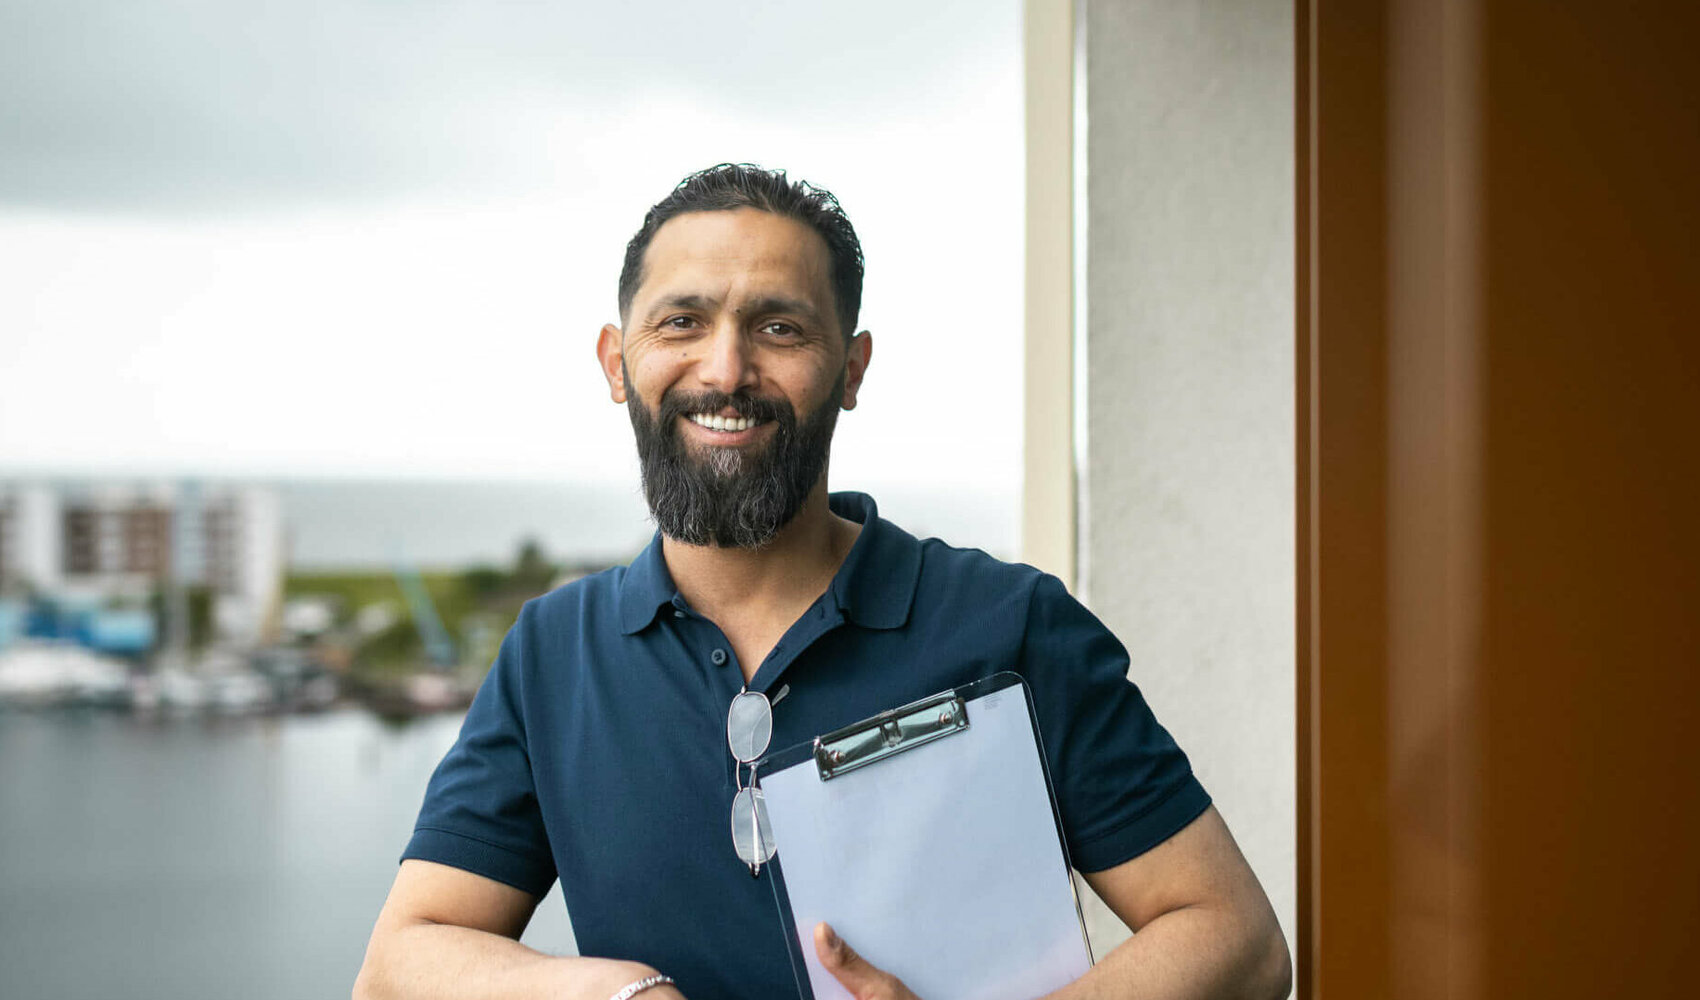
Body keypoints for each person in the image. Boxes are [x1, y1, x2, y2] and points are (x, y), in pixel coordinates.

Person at [354, 164, 1291, 1000]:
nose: (726, 371)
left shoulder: (1012, 626)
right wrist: (613, 997)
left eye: (779, 327)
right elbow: (401, 963)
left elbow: (1238, 940)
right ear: (617, 361)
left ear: (850, 369)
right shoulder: (553, 657)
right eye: (682, 322)